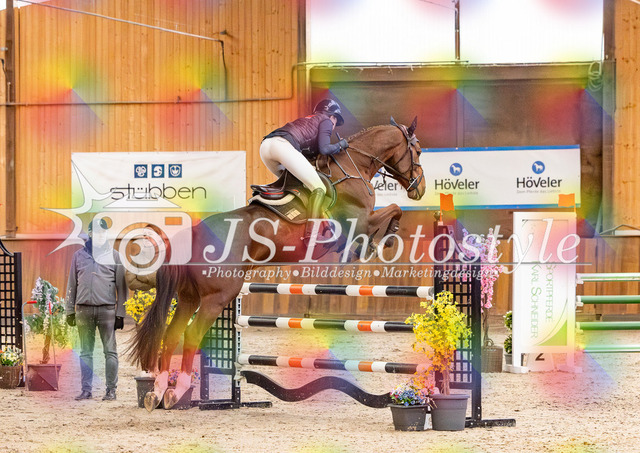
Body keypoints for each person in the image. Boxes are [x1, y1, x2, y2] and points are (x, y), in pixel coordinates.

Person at [260, 98, 349, 241]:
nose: (334, 126)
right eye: (335, 121)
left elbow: (308, 151)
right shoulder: (326, 121)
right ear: (332, 116)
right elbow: (325, 149)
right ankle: (311, 233)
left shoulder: (309, 120)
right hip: (282, 146)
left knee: (294, 186)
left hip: (265, 147)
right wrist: (341, 144)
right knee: (319, 188)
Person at [65, 219, 127, 401]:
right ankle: (86, 390)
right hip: (83, 311)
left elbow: (122, 287)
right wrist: (70, 310)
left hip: (107, 311)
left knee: (110, 351)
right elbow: (71, 284)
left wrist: (120, 314)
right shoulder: (78, 256)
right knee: (85, 352)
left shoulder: (115, 256)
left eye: (104, 232)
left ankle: (111, 390)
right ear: (90, 233)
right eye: (98, 232)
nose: (101, 235)